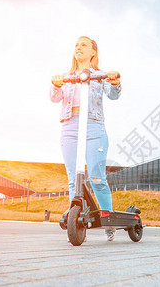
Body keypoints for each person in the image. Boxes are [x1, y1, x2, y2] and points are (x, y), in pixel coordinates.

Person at [50, 36, 121, 241]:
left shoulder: (101, 75)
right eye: (76, 45)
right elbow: (54, 97)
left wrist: (115, 81)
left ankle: (109, 221)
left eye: (83, 45)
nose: (78, 47)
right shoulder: (66, 76)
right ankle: (77, 222)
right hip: (70, 126)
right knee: (74, 179)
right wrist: (55, 84)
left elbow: (113, 94)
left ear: (93, 52)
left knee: (97, 177)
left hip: (93, 127)